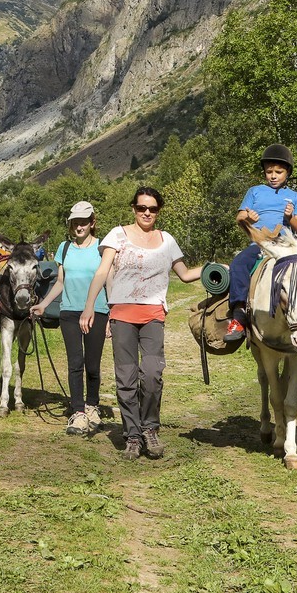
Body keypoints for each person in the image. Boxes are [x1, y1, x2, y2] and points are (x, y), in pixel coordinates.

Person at [80, 187, 203, 460]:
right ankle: (133, 436)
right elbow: (102, 271)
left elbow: (184, 274)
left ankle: (150, 429)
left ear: (158, 211)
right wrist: (90, 306)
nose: (147, 213)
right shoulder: (117, 235)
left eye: (152, 209)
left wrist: (215, 269)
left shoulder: (167, 240)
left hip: (153, 316)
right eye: (141, 208)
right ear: (134, 208)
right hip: (122, 315)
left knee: (151, 374)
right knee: (126, 378)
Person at [33, 201, 108, 435]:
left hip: (97, 311)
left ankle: (92, 406)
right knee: (75, 363)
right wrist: (43, 304)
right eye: (75, 222)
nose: (79, 227)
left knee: (92, 365)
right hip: (69, 313)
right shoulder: (64, 248)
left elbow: (110, 281)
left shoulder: (103, 248)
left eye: (83, 222)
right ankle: (78, 412)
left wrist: (113, 313)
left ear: (92, 222)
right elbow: (60, 282)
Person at [224, 144, 297, 341]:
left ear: (287, 173)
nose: (273, 176)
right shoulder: (254, 191)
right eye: (269, 171)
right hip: (260, 245)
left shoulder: (295, 197)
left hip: (287, 247)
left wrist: (290, 218)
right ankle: (239, 314)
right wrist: (248, 218)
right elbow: (239, 217)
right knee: (239, 264)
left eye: (278, 172)